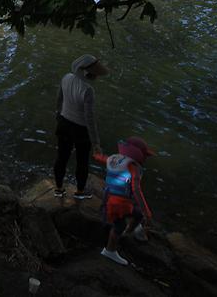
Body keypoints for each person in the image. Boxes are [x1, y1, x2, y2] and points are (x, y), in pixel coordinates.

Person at [54, 54, 108, 199]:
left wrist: (58, 116)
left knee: (61, 158)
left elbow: (59, 101)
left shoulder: (66, 78)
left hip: (64, 124)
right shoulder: (88, 90)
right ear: (88, 73)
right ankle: (79, 191)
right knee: (82, 162)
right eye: (95, 74)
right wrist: (96, 143)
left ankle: (58, 188)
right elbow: (89, 119)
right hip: (80, 130)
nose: (96, 76)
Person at [97, 137, 155, 266]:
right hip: (120, 203)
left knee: (137, 214)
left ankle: (126, 233)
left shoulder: (114, 158)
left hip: (109, 197)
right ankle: (109, 250)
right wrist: (148, 212)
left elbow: (102, 158)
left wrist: (97, 154)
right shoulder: (134, 168)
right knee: (119, 225)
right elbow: (136, 189)